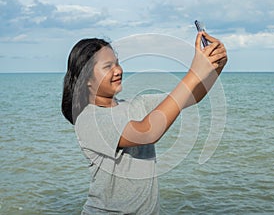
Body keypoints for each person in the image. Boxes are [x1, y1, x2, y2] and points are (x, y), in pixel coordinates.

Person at [61, 31, 227, 214]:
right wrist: (193, 74)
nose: (118, 70)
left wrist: (216, 66)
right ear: (87, 81)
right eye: (108, 66)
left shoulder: (138, 104)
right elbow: (147, 133)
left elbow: (192, 96)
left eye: (117, 63)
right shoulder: (88, 120)